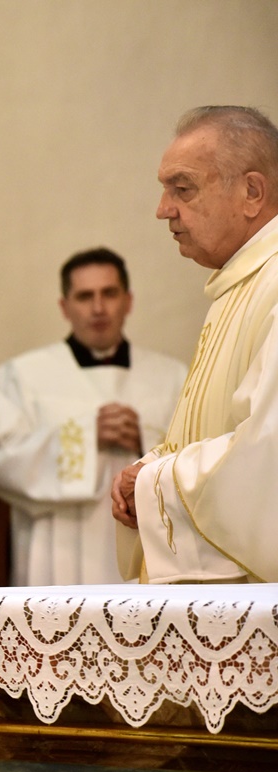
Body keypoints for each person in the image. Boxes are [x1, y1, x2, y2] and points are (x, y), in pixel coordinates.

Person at [112, 105, 278, 584]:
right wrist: (151, 467)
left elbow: (266, 456)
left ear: (251, 193)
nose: (163, 209)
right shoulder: (239, 285)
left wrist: (152, 483)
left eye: (182, 189)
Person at [0, 247, 186, 585]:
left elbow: (198, 452)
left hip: (150, 550)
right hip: (56, 554)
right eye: (85, 296)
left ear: (128, 301)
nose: (98, 308)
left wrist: (145, 440)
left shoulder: (172, 376)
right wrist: (86, 436)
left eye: (109, 294)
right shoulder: (21, 375)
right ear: (65, 307)